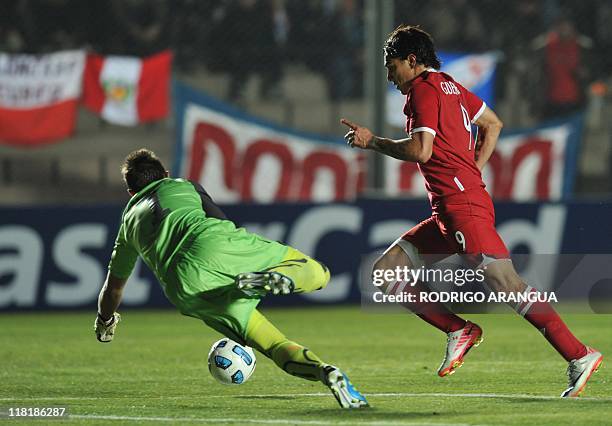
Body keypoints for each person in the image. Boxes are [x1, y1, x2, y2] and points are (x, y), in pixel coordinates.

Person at [341, 25, 602, 398]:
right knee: (385, 273)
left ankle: (579, 354)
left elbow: (421, 151)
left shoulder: (422, 91)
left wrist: (373, 142)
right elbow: (493, 124)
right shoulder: (449, 85)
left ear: (411, 61)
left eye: (391, 65)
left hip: (461, 207)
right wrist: (473, 168)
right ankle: (458, 329)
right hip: (451, 207)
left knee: (507, 285)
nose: (389, 75)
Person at [94, 149, 368, 409]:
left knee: (271, 343)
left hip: (185, 287)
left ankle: (326, 372)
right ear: (165, 173)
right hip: (216, 245)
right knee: (319, 273)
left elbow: (113, 288)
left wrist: (105, 321)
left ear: (131, 192)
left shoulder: (127, 224)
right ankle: (275, 278)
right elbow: (221, 220)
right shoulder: (185, 185)